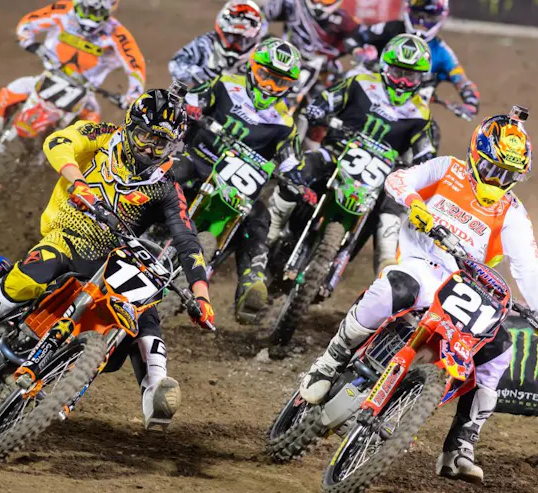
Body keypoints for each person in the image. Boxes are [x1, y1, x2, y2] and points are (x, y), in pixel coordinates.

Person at [298, 111, 538, 484]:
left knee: (500, 347)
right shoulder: (447, 169)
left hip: (464, 285)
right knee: (394, 289)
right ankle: (329, 362)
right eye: (493, 169)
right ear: (476, 155)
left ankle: (460, 446)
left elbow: (530, 266)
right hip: (420, 263)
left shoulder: (512, 213)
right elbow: (398, 179)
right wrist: (415, 203)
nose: (498, 180)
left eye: (508, 175)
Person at [0, 89, 216, 429]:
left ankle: (156, 387)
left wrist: (201, 295)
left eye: (160, 143)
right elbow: (58, 141)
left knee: (143, 310)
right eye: (145, 136)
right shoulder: (103, 136)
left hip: (111, 259)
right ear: (130, 126)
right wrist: (77, 181)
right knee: (40, 268)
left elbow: (187, 240)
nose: (149, 148)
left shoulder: (166, 187)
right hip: (67, 232)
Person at [267, 34, 435, 274]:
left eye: (411, 76)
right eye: (398, 72)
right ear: (385, 67)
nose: (402, 82)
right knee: (298, 171)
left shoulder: (421, 113)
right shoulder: (360, 82)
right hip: (336, 153)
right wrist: (318, 110)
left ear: (421, 78)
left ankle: (386, 262)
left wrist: (422, 165)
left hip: (380, 173)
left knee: (394, 205)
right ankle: (271, 230)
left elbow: (425, 151)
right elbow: (325, 100)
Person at [172, 38, 302, 325]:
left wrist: (296, 178)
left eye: (280, 82)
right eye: (266, 75)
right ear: (253, 68)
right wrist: (191, 108)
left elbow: (291, 159)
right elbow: (193, 99)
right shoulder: (225, 84)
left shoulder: (285, 122)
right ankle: (122, 217)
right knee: (172, 171)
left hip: (239, 185)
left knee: (260, 217)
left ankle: (251, 282)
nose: (270, 86)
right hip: (200, 161)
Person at [0, 0, 146, 134]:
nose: (90, 17)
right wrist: (29, 42)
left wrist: (132, 96)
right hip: (51, 74)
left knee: (91, 132)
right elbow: (28, 23)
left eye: (97, 14)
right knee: (7, 97)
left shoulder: (118, 34)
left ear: (109, 11)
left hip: (85, 91)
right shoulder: (64, 9)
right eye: (85, 10)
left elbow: (136, 67)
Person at [344, 0, 480, 147]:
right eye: (418, 15)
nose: (422, 22)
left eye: (429, 17)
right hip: (373, 95)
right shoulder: (391, 28)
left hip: (409, 111)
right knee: (351, 78)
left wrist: (470, 103)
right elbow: (355, 38)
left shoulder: (443, 53)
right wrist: (360, 52)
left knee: (431, 134)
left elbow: (463, 82)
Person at [168, 0, 266, 89]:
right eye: (230, 37)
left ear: (256, 36)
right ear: (221, 31)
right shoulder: (207, 44)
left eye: (243, 39)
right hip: (203, 99)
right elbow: (175, 63)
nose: (236, 45)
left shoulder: (261, 54)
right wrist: (195, 73)